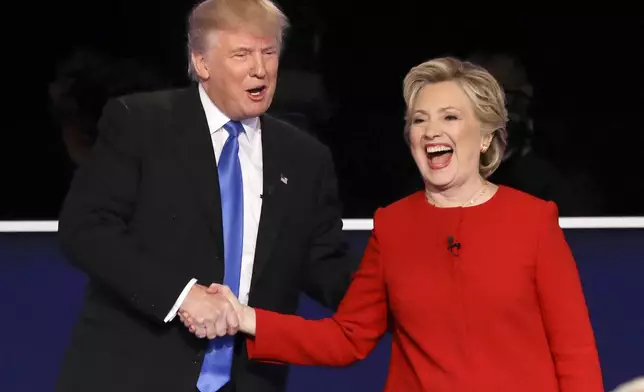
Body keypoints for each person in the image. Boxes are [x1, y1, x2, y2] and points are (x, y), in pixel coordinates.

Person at [185, 57, 605, 391]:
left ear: (485, 138)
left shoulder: (533, 220)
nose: (430, 131)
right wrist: (245, 317)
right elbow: (347, 337)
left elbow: (575, 352)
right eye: (419, 120)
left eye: (450, 117)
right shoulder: (394, 225)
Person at [55, 1, 357, 391]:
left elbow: (325, 264)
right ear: (202, 63)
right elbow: (86, 229)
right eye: (241, 54)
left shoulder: (304, 158)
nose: (260, 69)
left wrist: (405, 293)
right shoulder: (142, 123)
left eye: (268, 53)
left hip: (246, 380)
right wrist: (182, 296)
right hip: (133, 375)